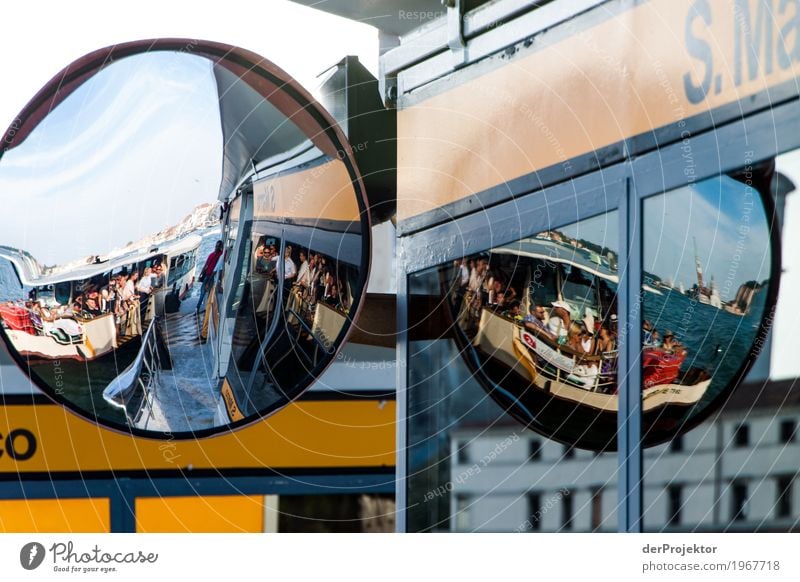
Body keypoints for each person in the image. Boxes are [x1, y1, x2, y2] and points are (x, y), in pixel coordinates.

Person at [197, 241, 223, 312]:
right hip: (210, 276)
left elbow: (206, 266)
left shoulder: (216, 255)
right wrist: (201, 275)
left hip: (210, 276)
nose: (217, 248)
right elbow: (206, 265)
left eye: (217, 246)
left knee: (203, 292)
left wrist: (201, 275)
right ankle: (202, 308)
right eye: (217, 246)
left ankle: (200, 308)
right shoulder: (218, 255)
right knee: (206, 292)